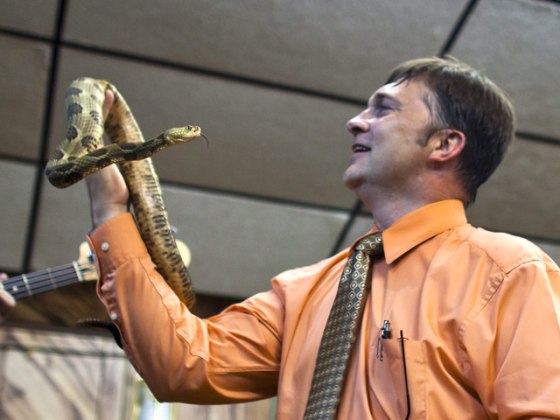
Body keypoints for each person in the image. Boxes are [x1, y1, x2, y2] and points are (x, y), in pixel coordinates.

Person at [49, 57, 560, 417]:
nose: (355, 121)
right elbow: (184, 366)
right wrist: (110, 209)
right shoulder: (305, 291)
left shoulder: (509, 272)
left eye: (383, 109)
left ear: (446, 143)